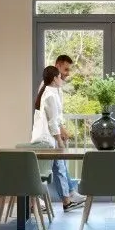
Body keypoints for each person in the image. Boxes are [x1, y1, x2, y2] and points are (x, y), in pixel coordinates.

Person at [32, 64, 83, 211]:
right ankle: (36, 202)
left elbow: (55, 118)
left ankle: (66, 200)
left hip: (46, 139)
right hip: (48, 140)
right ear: (55, 78)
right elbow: (53, 121)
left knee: (56, 167)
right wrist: (60, 141)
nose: (62, 79)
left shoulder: (48, 92)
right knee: (47, 169)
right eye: (60, 76)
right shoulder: (50, 95)